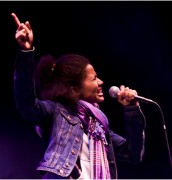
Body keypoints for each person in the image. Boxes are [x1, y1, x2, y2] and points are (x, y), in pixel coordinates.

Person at [12, 12, 146, 179]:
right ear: (75, 86)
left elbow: (133, 154)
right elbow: (27, 105)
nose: (101, 82)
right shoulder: (56, 111)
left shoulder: (98, 126)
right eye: (94, 78)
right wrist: (26, 53)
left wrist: (132, 109)